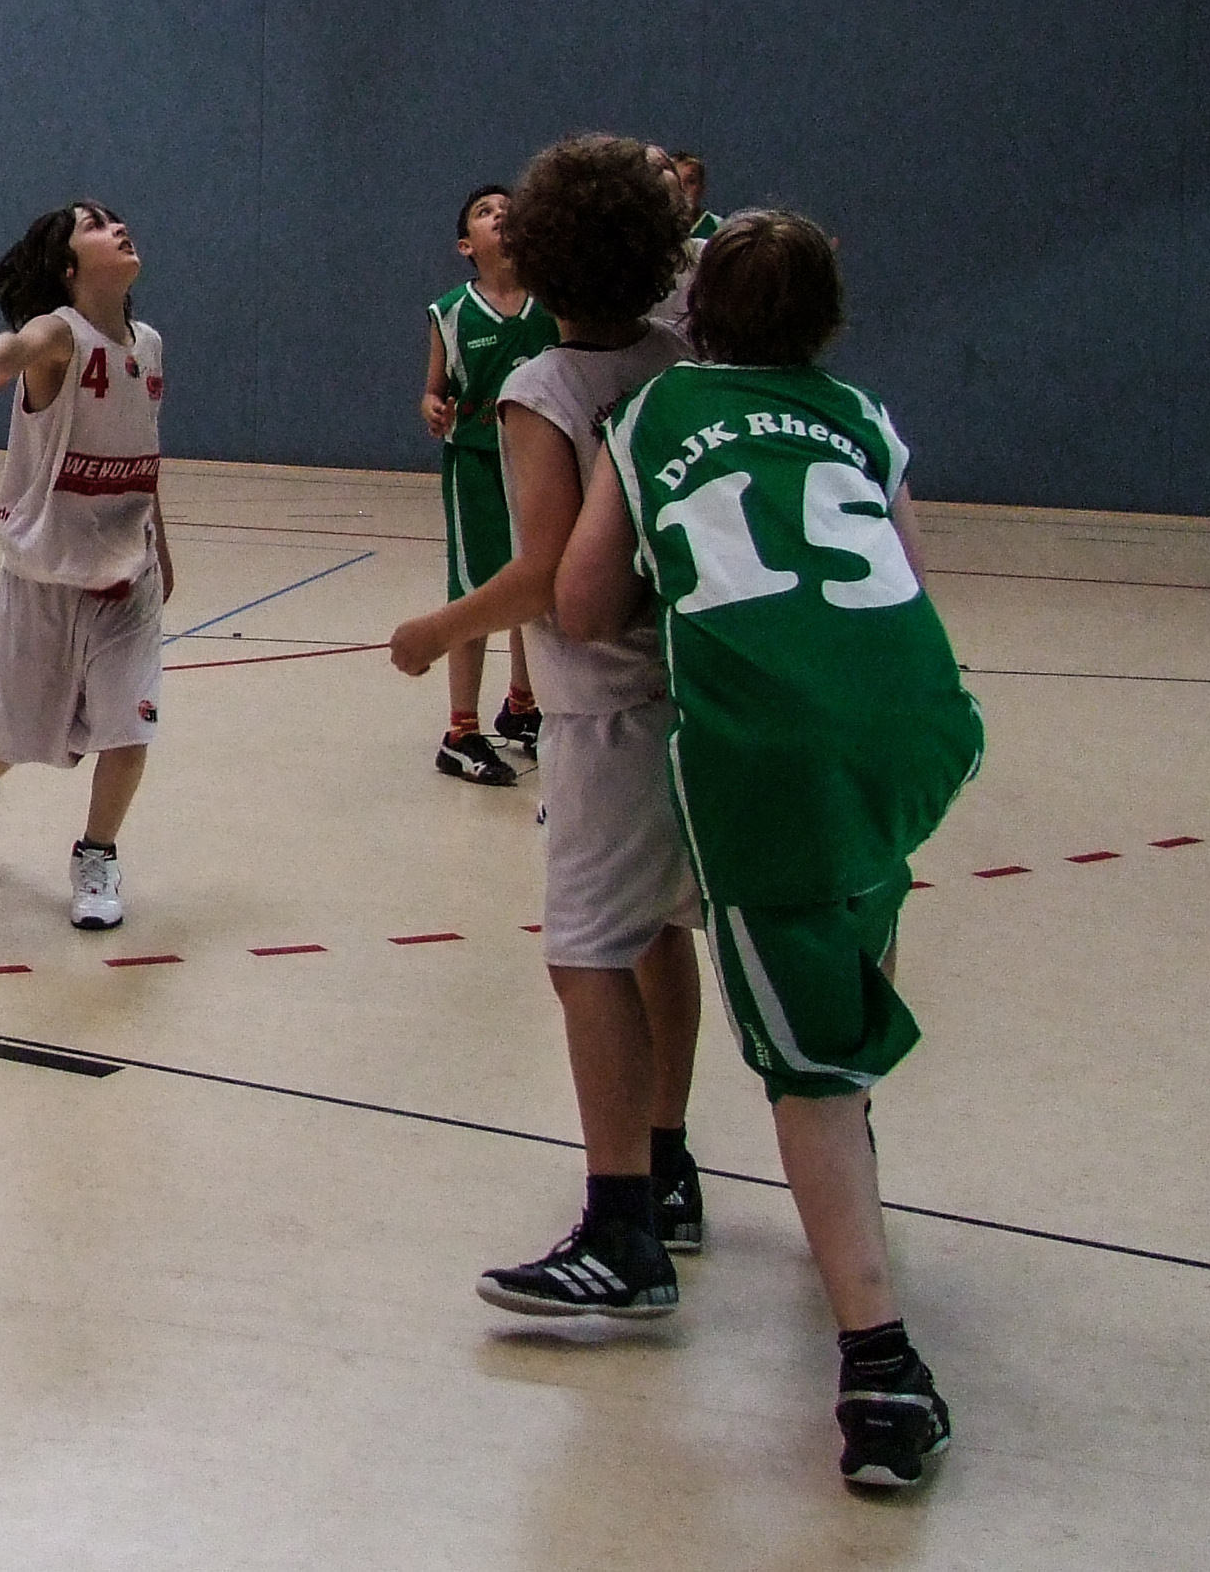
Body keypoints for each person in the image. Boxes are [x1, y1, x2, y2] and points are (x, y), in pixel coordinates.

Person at [559, 209, 983, 1490]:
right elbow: (909, 570)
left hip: (771, 753)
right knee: (854, 942)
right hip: (914, 721)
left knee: (805, 1070)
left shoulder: (654, 413)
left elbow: (582, 600)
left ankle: (882, 1369)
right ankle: (852, 1149)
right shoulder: (860, 414)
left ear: (696, 310)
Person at [387, 136, 707, 1317]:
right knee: (660, 936)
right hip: (689, 692)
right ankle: (668, 1163)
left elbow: (547, 575)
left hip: (605, 710)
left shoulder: (545, 391)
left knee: (585, 954)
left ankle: (621, 1225)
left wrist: (435, 629)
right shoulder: (680, 360)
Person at [0, 202, 171, 930]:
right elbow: (22, 343)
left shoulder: (149, 345)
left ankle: (97, 852)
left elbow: (144, 448)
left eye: (117, 219)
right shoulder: (62, 334)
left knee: (129, 727)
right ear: (68, 267)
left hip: (127, 574)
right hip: (45, 576)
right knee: (9, 735)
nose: (117, 227)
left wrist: (161, 542)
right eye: (95, 225)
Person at [424, 185, 556, 783]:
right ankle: (460, 731)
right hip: (476, 462)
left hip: (539, 463)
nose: (500, 214)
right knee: (476, 590)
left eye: (508, 208)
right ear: (465, 245)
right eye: (485, 211)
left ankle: (522, 706)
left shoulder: (550, 306)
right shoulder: (451, 310)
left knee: (534, 584)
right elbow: (434, 389)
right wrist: (433, 407)